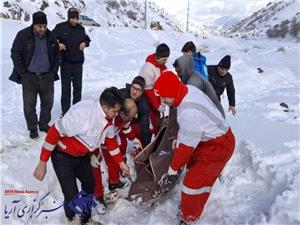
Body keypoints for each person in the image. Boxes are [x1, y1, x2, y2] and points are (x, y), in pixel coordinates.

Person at [33, 87, 130, 225]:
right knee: (71, 194)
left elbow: (111, 142)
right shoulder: (82, 114)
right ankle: (71, 219)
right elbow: (53, 133)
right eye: (114, 111)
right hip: (62, 155)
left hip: (82, 155)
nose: (116, 115)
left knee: (90, 183)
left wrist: (121, 163)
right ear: (104, 107)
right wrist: (42, 162)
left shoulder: (109, 117)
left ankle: (85, 219)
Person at [153, 71, 235, 225]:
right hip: (207, 140)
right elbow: (188, 136)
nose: (163, 101)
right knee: (192, 168)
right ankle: (190, 203)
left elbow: (185, 148)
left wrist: (172, 169)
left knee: (193, 184)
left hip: (219, 147)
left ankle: (189, 218)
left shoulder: (189, 112)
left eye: (164, 96)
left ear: (172, 91)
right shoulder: (187, 90)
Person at [9, 11, 59, 139]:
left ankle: (43, 124)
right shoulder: (23, 35)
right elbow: (15, 53)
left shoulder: (51, 36)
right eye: (40, 26)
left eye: (44, 26)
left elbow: (57, 54)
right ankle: (32, 127)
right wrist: (22, 72)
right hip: (29, 76)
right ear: (34, 25)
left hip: (47, 76)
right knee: (29, 104)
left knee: (47, 103)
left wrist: (53, 72)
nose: (42, 29)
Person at [95, 98, 140, 193]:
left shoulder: (125, 117)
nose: (132, 119)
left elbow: (126, 127)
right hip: (104, 141)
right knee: (112, 162)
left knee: (117, 159)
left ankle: (118, 173)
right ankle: (113, 183)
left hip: (114, 137)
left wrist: (133, 139)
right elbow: (110, 143)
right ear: (122, 114)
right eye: (131, 117)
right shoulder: (110, 119)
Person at [52, 7, 91, 115]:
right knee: (66, 89)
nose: (74, 21)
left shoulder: (80, 29)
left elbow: (87, 39)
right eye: (72, 18)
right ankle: (65, 112)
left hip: (78, 63)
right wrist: (58, 45)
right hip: (65, 63)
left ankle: (76, 111)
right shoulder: (60, 27)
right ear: (68, 17)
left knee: (78, 88)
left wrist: (85, 43)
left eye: (76, 18)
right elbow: (50, 38)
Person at [173, 54, 225, 118]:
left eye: (179, 71)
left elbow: (189, 102)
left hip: (213, 116)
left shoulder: (194, 81)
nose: (178, 74)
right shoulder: (190, 76)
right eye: (176, 72)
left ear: (185, 68)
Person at [139, 43, 170, 135]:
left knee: (157, 121)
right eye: (164, 59)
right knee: (151, 123)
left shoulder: (162, 67)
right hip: (149, 104)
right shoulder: (148, 68)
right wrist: (157, 105)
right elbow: (148, 90)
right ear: (159, 57)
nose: (165, 62)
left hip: (158, 101)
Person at [119, 76, 152, 147]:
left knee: (139, 131)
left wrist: (147, 145)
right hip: (119, 119)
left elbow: (144, 125)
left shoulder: (143, 105)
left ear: (142, 92)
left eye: (138, 89)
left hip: (134, 122)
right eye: (133, 87)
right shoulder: (122, 94)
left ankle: (141, 147)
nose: (134, 91)